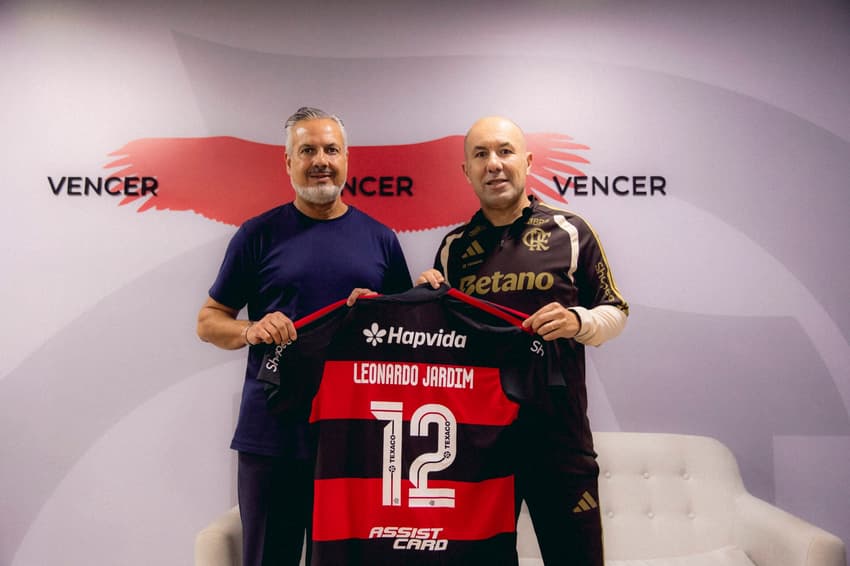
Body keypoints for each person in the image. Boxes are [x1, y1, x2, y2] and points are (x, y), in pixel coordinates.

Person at [197, 106, 412, 566]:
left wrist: (382, 311)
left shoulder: (381, 240)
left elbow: (405, 339)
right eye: (307, 150)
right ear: (288, 162)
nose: (320, 160)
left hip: (355, 435)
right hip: (272, 435)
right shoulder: (257, 234)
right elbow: (209, 321)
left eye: (331, 150)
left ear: (346, 158)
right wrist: (252, 329)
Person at [417, 116, 629, 565]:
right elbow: (442, 343)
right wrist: (423, 302)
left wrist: (576, 321)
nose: (493, 164)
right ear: (467, 171)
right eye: (480, 155)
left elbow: (615, 311)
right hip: (479, 442)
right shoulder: (454, 248)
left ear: (528, 161)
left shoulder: (570, 231)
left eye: (505, 151)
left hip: (559, 436)